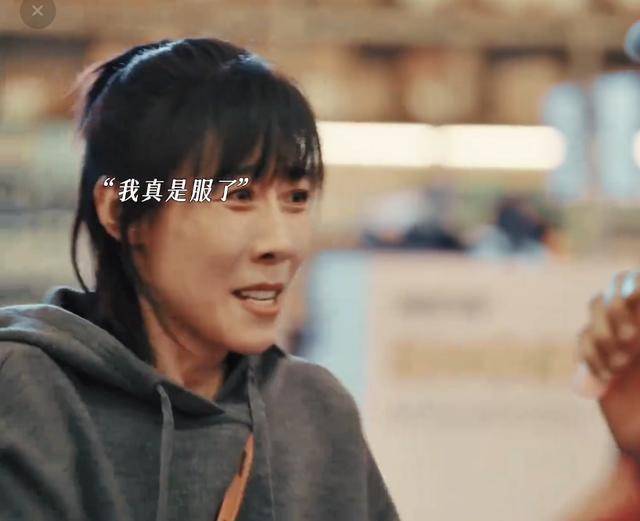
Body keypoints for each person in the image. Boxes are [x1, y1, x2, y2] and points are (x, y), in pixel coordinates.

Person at [0, 38, 400, 521]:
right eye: (238, 196)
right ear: (122, 211)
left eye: (296, 197)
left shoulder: (314, 411)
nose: (281, 243)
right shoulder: (27, 391)